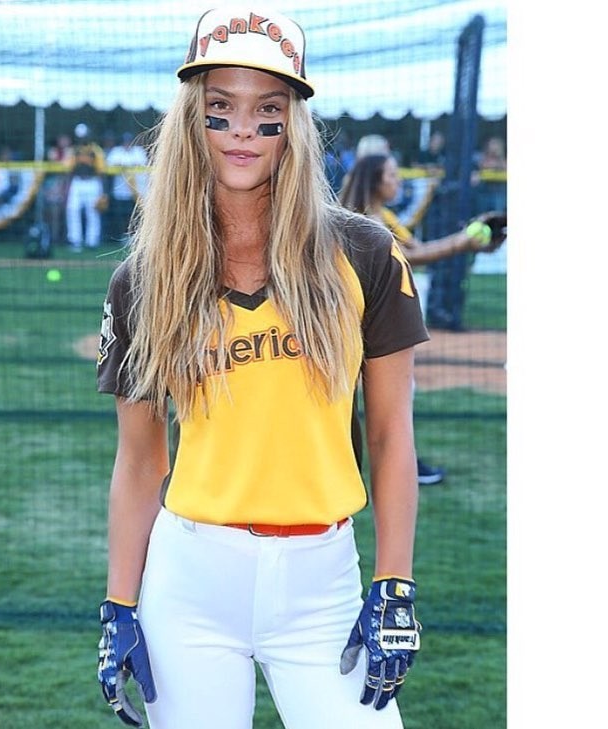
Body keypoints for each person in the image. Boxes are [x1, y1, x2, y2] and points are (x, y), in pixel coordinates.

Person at [95, 7, 425, 729]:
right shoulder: (145, 278)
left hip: (323, 583)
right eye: (222, 107)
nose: (243, 129)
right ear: (192, 121)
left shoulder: (364, 254)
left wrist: (394, 584)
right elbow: (141, 459)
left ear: (293, 124)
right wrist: (119, 603)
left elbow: (390, 436)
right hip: (190, 584)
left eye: (267, 110)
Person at [339, 153, 504, 485]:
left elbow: (417, 248)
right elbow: (409, 257)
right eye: (391, 175)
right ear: (374, 181)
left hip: (374, 320)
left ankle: (400, 463)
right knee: (362, 400)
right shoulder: (364, 220)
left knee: (380, 399)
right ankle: (386, 465)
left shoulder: (383, 215)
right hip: (356, 322)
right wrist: (463, 243)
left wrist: (466, 242)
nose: (398, 180)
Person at [65, 122, 107, 251]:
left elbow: (101, 171)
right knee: (72, 209)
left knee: (93, 212)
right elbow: (69, 169)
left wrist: (103, 191)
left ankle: (92, 241)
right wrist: (66, 186)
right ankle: (75, 240)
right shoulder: (74, 151)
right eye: (80, 137)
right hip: (77, 182)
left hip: (92, 182)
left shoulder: (95, 150)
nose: (82, 139)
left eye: (84, 136)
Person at [105, 131, 149, 244]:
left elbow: (142, 164)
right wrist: (125, 165)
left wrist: (126, 166)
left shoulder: (138, 151)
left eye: (129, 141)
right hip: (121, 190)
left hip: (137, 190)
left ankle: (135, 235)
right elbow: (110, 164)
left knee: (135, 214)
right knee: (121, 214)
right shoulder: (117, 151)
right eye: (125, 142)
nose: (127, 144)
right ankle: (122, 235)